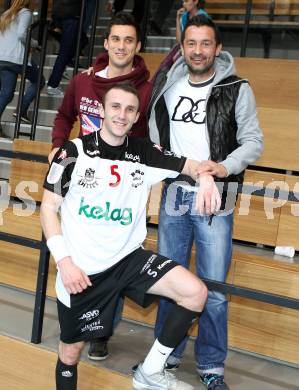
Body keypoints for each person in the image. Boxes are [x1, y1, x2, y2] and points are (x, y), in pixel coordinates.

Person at [40, 81, 222, 390]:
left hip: (127, 259)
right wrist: (65, 262)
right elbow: (47, 209)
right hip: (83, 269)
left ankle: (150, 372)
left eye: (129, 109)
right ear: (101, 110)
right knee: (71, 353)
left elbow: (191, 165)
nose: (121, 115)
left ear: (137, 115)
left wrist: (204, 177)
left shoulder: (144, 151)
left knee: (195, 292)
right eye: (115, 107)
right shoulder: (73, 152)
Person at [148, 15, 264, 390]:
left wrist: (224, 167)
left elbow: (252, 141)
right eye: (191, 43)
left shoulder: (236, 88)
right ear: (183, 47)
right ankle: (165, 355)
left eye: (205, 44)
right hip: (175, 194)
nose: (198, 51)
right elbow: (154, 130)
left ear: (217, 48)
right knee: (169, 280)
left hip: (218, 198)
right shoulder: (168, 83)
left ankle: (211, 366)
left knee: (213, 290)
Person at [48, 12, 152, 163]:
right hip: (84, 171)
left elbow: (153, 138)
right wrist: (58, 146)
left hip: (124, 177)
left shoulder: (148, 91)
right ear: (106, 43)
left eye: (128, 40)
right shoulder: (82, 81)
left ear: (138, 47)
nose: (121, 46)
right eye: (115, 39)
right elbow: (64, 116)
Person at [0, 0, 45, 136]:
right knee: (39, 80)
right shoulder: (25, 13)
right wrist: (35, 43)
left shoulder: (7, 14)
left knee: (7, 94)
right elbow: (21, 34)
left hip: (3, 58)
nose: (37, 2)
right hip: (15, 59)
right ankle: (21, 109)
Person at [46, 0, 81, 97]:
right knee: (65, 51)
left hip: (59, 12)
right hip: (70, 13)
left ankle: (62, 67)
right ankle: (52, 85)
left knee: (81, 40)